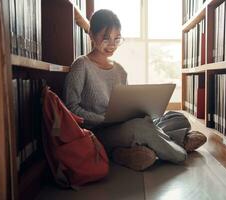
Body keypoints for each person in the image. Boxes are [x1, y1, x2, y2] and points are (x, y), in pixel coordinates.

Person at [63, 9, 207, 171]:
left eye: (116, 39)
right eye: (105, 38)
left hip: (125, 126)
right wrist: (102, 119)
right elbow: (70, 109)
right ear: (91, 35)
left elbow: (126, 104)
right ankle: (178, 148)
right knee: (140, 128)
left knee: (178, 117)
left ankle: (130, 152)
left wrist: (139, 112)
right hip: (99, 133)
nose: (111, 44)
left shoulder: (120, 70)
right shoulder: (81, 65)